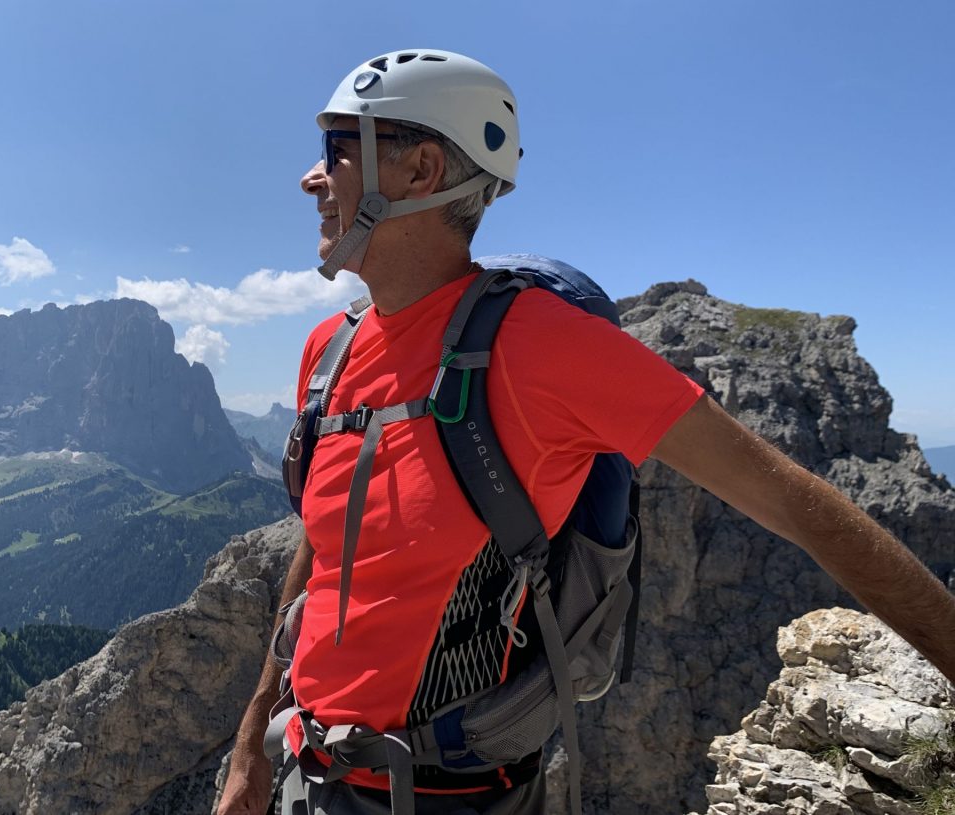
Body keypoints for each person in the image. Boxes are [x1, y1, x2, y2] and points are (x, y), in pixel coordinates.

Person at [218, 49, 955, 815]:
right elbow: (328, 542)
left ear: (422, 170)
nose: (313, 178)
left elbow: (801, 509)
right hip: (305, 772)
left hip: (446, 796)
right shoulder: (328, 351)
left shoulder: (543, 346)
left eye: (339, 150)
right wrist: (251, 743)